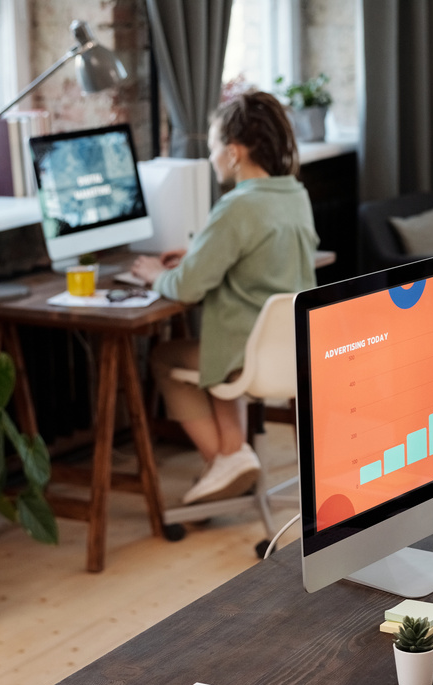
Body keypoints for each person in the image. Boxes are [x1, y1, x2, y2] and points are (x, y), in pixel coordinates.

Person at [131, 90, 319, 505]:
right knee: (219, 342)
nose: (212, 156)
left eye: (214, 147)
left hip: (245, 357)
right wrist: (199, 253)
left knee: (165, 356)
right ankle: (231, 458)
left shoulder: (236, 207)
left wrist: (157, 274)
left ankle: (227, 458)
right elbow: (257, 255)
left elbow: (187, 287)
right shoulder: (294, 195)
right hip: (295, 352)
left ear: (233, 153)